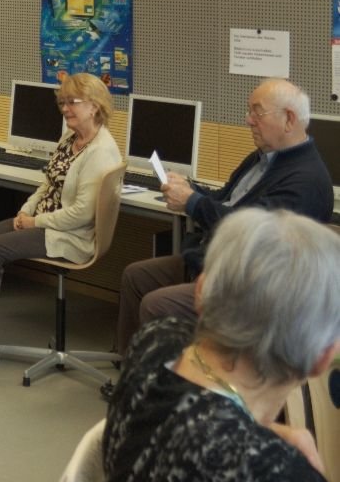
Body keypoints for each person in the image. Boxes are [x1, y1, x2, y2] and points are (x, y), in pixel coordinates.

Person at [101, 208, 340, 482]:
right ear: (322, 360)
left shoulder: (151, 349)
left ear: (200, 290)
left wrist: (279, 437)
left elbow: (209, 425)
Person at [113, 78, 332, 358]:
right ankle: (132, 372)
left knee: (157, 304)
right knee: (136, 276)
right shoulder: (262, 158)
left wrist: (192, 203)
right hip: (216, 260)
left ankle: (163, 391)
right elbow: (226, 199)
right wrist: (191, 189)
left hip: (251, 286)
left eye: (257, 111)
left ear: (289, 119)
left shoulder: (305, 180)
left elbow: (246, 231)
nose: (248, 120)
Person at [0, 73, 121, 372]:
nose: (65, 109)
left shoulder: (102, 152)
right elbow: (48, 182)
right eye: (62, 103)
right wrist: (24, 214)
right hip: (41, 221)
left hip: (68, 235)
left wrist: (35, 221)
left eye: (72, 103)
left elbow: (80, 214)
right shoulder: (71, 137)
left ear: (94, 106)